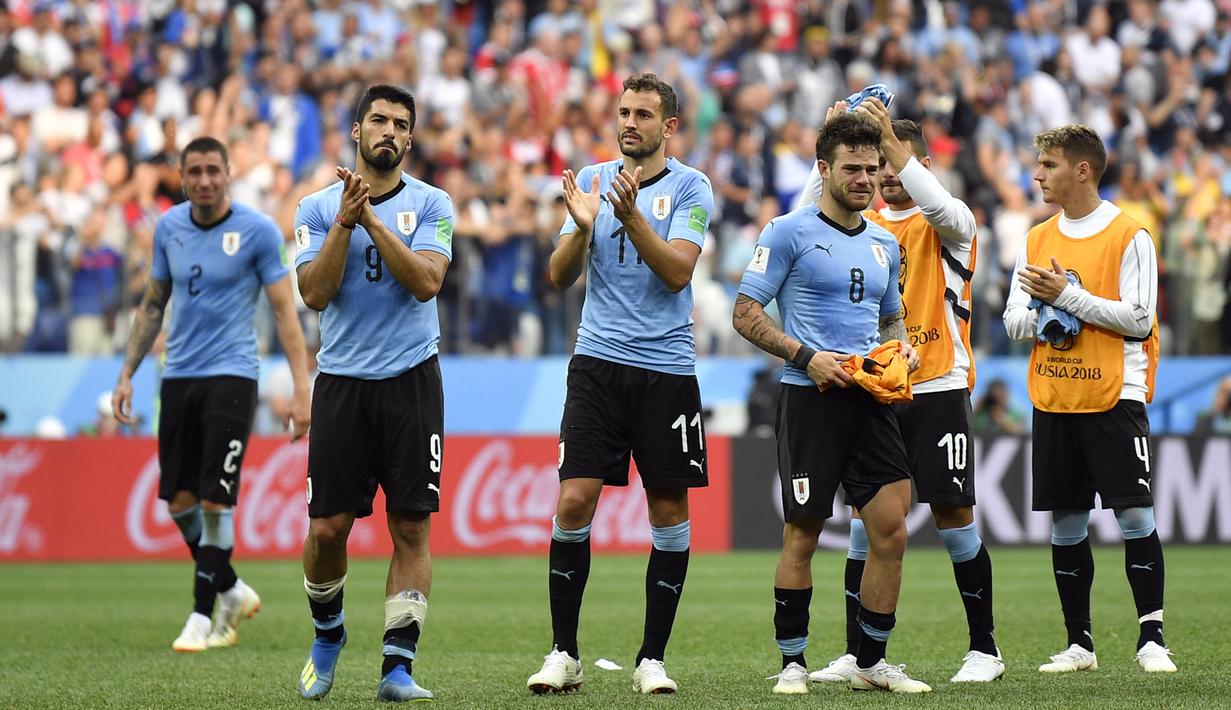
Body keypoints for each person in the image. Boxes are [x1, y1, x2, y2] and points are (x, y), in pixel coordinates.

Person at [796, 98, 1004, 684]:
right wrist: (829, 141)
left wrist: (889, 137)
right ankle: (858, 653)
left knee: (953, 514)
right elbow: (803, 224)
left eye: (893, 160)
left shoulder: (951, 223)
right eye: (877, 163)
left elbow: (939, 205)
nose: (885, 173)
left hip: (937, 385)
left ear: (922, 164)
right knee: (866, 522)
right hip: (878, 388)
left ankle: (984, 648)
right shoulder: (862, 226)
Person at [524, 73, 714, 696]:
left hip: (666, 370)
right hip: (597, 365)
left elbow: (678, 273)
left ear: (669, 126)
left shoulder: (691, 187)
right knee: (574, 500)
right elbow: (558, 278)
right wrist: (581, 228)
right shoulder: (592, 179)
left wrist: (630, 219)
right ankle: (563, 653)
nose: (630, 122)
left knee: (669, 510)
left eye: (644, 114)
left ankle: (651, 658)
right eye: (625, 112)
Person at [733, 111, 930, 694]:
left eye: (872, 168)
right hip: (809, 399)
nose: (866, 179)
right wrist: (805, 357)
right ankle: (793, 662)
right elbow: (744, 313)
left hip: (871, 400)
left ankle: (870, 662)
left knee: (891, 529)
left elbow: (890, 319)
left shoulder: (885, 243)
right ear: (824, 169)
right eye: (853, 169)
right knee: (803, 533)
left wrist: (901, 350)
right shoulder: (786, 232)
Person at [111, 136, 312, 653]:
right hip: (178, 374)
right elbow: (153, 304)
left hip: (233, 375)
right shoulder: (169, 228)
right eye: (194, 171)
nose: (204, 180)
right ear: (181, 177)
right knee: (179, 501)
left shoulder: (258, 230)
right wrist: (127, 372)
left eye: (212, 171)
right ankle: (230, 588)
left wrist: (301, 387)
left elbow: (285, 311)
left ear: (228, 174)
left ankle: (201, 615)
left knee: (214, 499)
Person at [293, 84, 453, 702]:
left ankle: (397, 667)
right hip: (342, 385)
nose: (390, 131)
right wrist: (344, 220)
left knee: (410, 526)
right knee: (327, 530)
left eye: (401, 124)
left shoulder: (434, 203)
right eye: (379, 120)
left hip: (413, 382)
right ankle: (328, 633)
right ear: (357, 130)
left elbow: (426, 282)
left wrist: (372, 222)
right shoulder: (315, 208)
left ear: (410, 138)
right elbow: (314, 292)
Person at [1003, 124, 1173, 674]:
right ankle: (1080, 644)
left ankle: (1152, 639)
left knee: (1134, 515)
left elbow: (1139, 318)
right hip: (1056, 393)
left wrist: (1068, 297)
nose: (1037, 175)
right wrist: (1042, 315)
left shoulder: (1130, 235)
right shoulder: (1036, 238)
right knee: (1066, 522)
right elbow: (1012, 321)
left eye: (1048, 165)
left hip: (1114, 393)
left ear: (1082, 170)